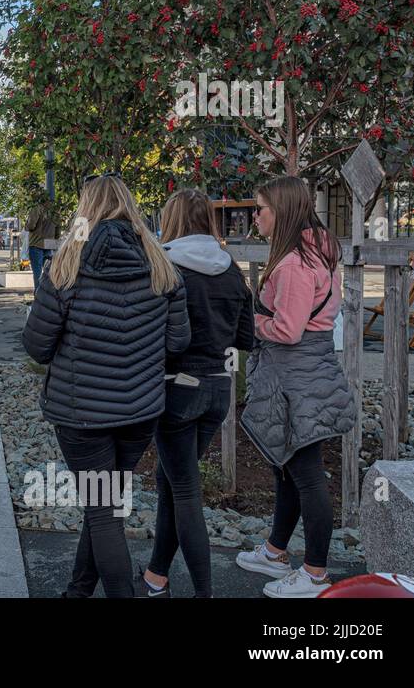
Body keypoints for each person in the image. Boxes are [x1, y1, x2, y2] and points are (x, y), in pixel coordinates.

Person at [21, 175, 189, 598]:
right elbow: (177, 342)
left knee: (102, 510)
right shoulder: (162, 266)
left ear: (86, 210)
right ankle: (78, 590)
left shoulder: (66, 267)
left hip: (83, 414)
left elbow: (37, 347)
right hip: (140, 412)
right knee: (106, 504)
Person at [235, 176, 354, 598]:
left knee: (305, 472)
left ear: (280, 213)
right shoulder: (314, 250)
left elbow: (286, 330)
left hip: (297, 376)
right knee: (287, 464)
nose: (256, 215)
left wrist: (249, 323)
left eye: (261, 208)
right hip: (307, 372)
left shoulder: (295, 264)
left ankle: (316, 573)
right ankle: (275, 551)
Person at [141, 190, 255, 598]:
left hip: (176, 390)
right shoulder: (232, 270)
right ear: (209, 221)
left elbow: (156, 337)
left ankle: (204, 592)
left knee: (184, 489)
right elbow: (246, 338)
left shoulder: (165, 267)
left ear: (171, 221)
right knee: (172, 480)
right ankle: (156, 576)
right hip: (217, 391)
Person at [26, 188, 57, 287]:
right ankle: (49, 295)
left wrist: (26, 225)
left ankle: (38, 295)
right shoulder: (55, 211)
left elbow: (31, 226)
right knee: (49, 272)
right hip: (50, 244)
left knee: (37, 271)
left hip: (36, 244)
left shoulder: (37, 209)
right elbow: (58, 230)